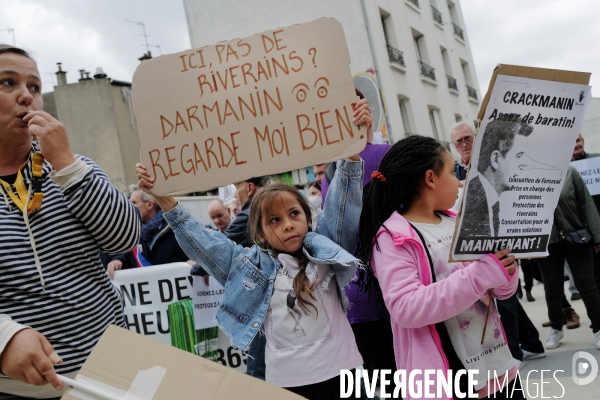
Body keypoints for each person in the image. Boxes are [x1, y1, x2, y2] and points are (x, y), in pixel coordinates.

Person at [136, 153, 366, 400]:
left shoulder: (324, 248)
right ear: (261, 234)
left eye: (294, 214)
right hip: (287, 384)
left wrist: (350, 159)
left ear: (308, 220)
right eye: (275, 220)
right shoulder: (248, 266)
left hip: (344, 375)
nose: (288, 224)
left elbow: (341, 208)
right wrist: (163, 198)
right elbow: (203, 243)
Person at [0, 44, 140, 399]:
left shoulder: (74, 168)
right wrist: (5, 338)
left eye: (34, 87)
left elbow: (124, 237)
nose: (26, 97)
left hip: (107, 375)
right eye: (7, 83)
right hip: (19, 391)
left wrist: (65, 161)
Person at [357, 135, 524, 399]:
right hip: (448, 383)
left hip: (498, 370)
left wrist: (505, 269)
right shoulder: (392, 236)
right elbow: (405, 308)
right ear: (430, 178)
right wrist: (481, 274)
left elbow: (501, 292)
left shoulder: (458, 221)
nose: (458, 180)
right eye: (450, 170)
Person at [538, 166, 600, 350]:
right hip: (546, 240)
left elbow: (586, 204)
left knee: (587, 284)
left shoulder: (569, 172)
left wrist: (597, 236)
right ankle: (556, 327)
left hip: (576, 235)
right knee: (552, 287)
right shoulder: (527, 176)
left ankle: (598, 328)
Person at [459, 119, 538, 237]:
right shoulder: (468, 201)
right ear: (495, 159)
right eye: (519, 156)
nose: (526, 165)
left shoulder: (489, 198)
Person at [106, 186, 190, 279]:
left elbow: (196, 253)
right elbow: (128, 255)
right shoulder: (135, 232)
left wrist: (194, 262)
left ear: (149, 205)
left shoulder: (176, 228)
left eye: (133, 203)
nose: (129, 207)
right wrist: (118, 260)